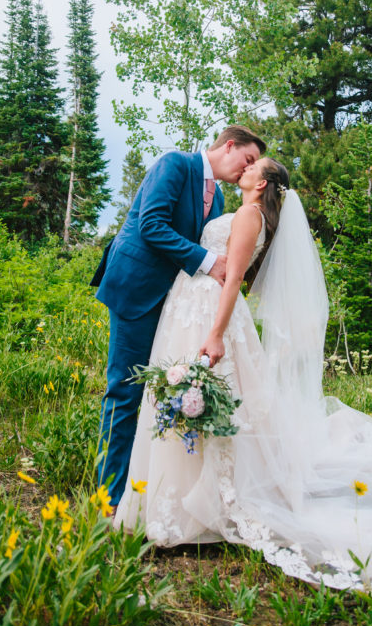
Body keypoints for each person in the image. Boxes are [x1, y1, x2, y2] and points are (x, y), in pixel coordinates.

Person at [115, 158, 372, 591]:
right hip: (191, 304)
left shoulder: (248, 214)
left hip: (209, 311)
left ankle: (196, 505)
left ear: (260, 182)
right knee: (207, 401)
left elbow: (234, 279)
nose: (243, 168)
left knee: (212, 400)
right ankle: (180, 500)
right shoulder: (247, 211)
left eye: (251, 166)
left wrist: (216, 333)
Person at [92, 124, 266, 509]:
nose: (248, 168)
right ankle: (108, 501)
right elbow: (151, 226)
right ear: (229, 146)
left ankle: (153, 494)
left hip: (175, 309)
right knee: (124, 391)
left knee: (162, 393)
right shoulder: (175, 164)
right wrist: (209, 262)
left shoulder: (218, 200)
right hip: (136, 290)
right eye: (248, 159)